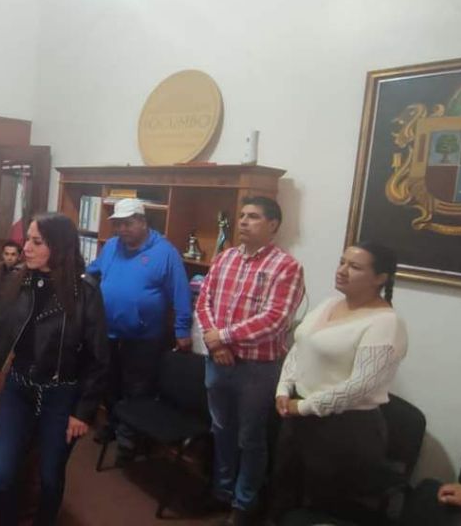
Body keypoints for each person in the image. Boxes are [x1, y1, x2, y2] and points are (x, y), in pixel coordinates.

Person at [0, 213, 109, 526]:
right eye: (27, 239)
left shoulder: (85, 292)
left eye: (36, 241)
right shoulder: (18, 279)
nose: (25, 247)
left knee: (50, 478)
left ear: (59, 246)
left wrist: (83, 411)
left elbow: (98, 358)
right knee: (1, 473)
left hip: (61, 394)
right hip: (19, 388)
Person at [269, 242, 408, 520]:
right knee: (284, 492)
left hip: (344, 430)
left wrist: (304, 406)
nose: (342, 270)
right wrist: (284, 388)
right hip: (299, 416)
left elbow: (360, 386)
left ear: (380, 278)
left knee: (322, 506)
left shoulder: (385, 323)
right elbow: (301, 347)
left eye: (354, 267)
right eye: (342, 262)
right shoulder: (329, 304)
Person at [195, 196, 305, 526]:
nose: (243, 221)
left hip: (257, 370)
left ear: (273, 225)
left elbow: (275, 319)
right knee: (221, 430)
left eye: (253, 216)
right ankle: (221, 491)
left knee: (251, 438)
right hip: (218, 361)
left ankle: (244, 503)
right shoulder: (225, 257)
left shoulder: (286, 267)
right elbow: (203, 301)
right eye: (242, 215)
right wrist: (215, 343)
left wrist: (223, 337)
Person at [85, 198, 193, 464]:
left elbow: (181, 294)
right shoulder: (112, 246)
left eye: (128, 223)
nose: (122, 229)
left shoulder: (165, 252)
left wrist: (182, 330)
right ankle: (114, 424)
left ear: (143, 222)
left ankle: (128, 442)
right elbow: (93, 271)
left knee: (137, 389)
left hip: (143, 338)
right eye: (118, 224)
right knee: (110, 384)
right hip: (109, 332)